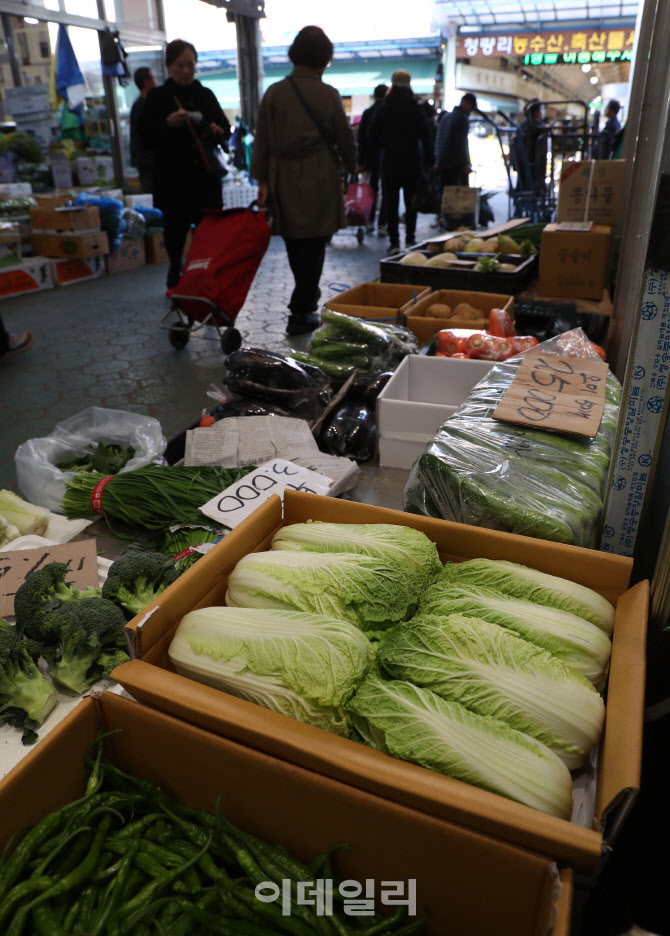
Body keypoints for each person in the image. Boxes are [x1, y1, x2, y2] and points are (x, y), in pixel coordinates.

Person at [251, 25, 357, 336]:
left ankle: (303, 303)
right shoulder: (328, 94)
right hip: (320, 175)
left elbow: (262, 142)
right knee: (316, 243)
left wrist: (262, 182)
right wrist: (353, 164)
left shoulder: (274, 92)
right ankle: (303, 307)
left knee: (296, 243)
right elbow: (345, 138)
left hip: (283, 177)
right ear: (324, 59)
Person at [140, 39, 231, 290]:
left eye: (191, 64)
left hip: (205, 181)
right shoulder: (158, 97)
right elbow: (144, 138)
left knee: (208, 237)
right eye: (180, 65)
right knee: (175, 237)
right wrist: (167, 124)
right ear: (169, 66)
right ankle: (176, 279)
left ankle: (206, 283)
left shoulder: (205, 94)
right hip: (173, 182)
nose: (186, 70)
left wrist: (216, 130)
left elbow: (225, 131)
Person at [369, 70, 434, 253]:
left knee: (391, 203)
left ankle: (394, 242)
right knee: (411, 201)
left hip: (389, 162)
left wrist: (375, 155)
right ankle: (411, 238)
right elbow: (426, 136)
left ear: (392, 83)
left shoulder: (383, 108)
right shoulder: (415, 107)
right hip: (412, 162)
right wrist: (430, 161)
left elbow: (371, 136)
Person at [357, 83, 388, 235]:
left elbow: (362, 138)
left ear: (375, 96)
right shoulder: (389, 111)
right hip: (387, 157)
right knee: (387, 191)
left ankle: (369, 221)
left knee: (372, 190)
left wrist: (361, 161)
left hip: (371, 157)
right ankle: (383, 224)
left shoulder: (368, 112)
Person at [436, 92, 478, 188]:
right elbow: (461, 143)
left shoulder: (446, 116)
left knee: (445, 196)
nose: (470, 111)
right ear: (466, 103)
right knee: (456, 197)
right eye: (471, 108)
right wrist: (465, 164)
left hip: (442, 163)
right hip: (455, 166)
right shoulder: (462, 118)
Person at [129, 66, 157, 194]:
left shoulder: (148, 103)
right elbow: (145, 133)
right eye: (153, 78)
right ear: (146, 81)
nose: (156, 81)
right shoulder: (140, 105)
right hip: (147, 161)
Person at [517, 100, 548, 194]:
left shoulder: (524, 124)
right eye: (542, 109)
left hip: (523, 163)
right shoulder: (539, 126)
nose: (543, 112)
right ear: (536, 112)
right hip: (537, 165)